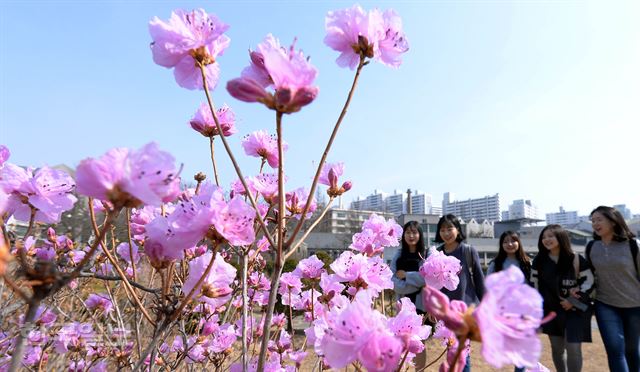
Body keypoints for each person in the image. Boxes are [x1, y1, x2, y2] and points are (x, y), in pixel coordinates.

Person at [532, 224, 594, 372]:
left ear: (561, 237)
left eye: (551, 236)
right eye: (544, 237)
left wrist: (572, 301)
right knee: (557, 349)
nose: (547, 240)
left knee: (573, 348)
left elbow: (589, 282)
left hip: (575, 311)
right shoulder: (539, 261)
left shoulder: (576, 259)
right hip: (551, 312)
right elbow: (533, 286)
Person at [588, 206, 640, 372]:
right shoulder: (591, 247)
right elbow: (588, 276)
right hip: (605, 304)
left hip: (634, 305)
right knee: (614, 350)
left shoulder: (632, 245)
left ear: (612, 221)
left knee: (632, 351)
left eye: (599, 219)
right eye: (593, 221)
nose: (595, 224)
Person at [434, 214, 485, 372]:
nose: (446, 233)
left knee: (462, 351)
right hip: (446, 311)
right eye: (442, 229)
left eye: (450, 228)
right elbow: (432, 284)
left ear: (458, 230)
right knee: (451, 349)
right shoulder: (436, 253)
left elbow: (479, 281)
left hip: (465, 311)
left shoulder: (468, 251)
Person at [486, 230, 532, 372]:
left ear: (519, 242)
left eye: (513, 240)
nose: (509, 244)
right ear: (501, 245)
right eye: (505, 241)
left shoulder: (527, 263)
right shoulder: (496, 264)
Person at [391, 220, 429, 370]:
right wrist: (417, 283)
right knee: (400, 340)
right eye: (408, 232)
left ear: (420, 234)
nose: (411, 235)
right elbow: (393, 282)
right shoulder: (399, 255)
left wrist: (406, 275)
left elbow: (428, 278)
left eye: (414, 232)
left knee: (419, 342)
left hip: (422, 305)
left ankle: (419, 370)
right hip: (403, 305)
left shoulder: (426, 254)